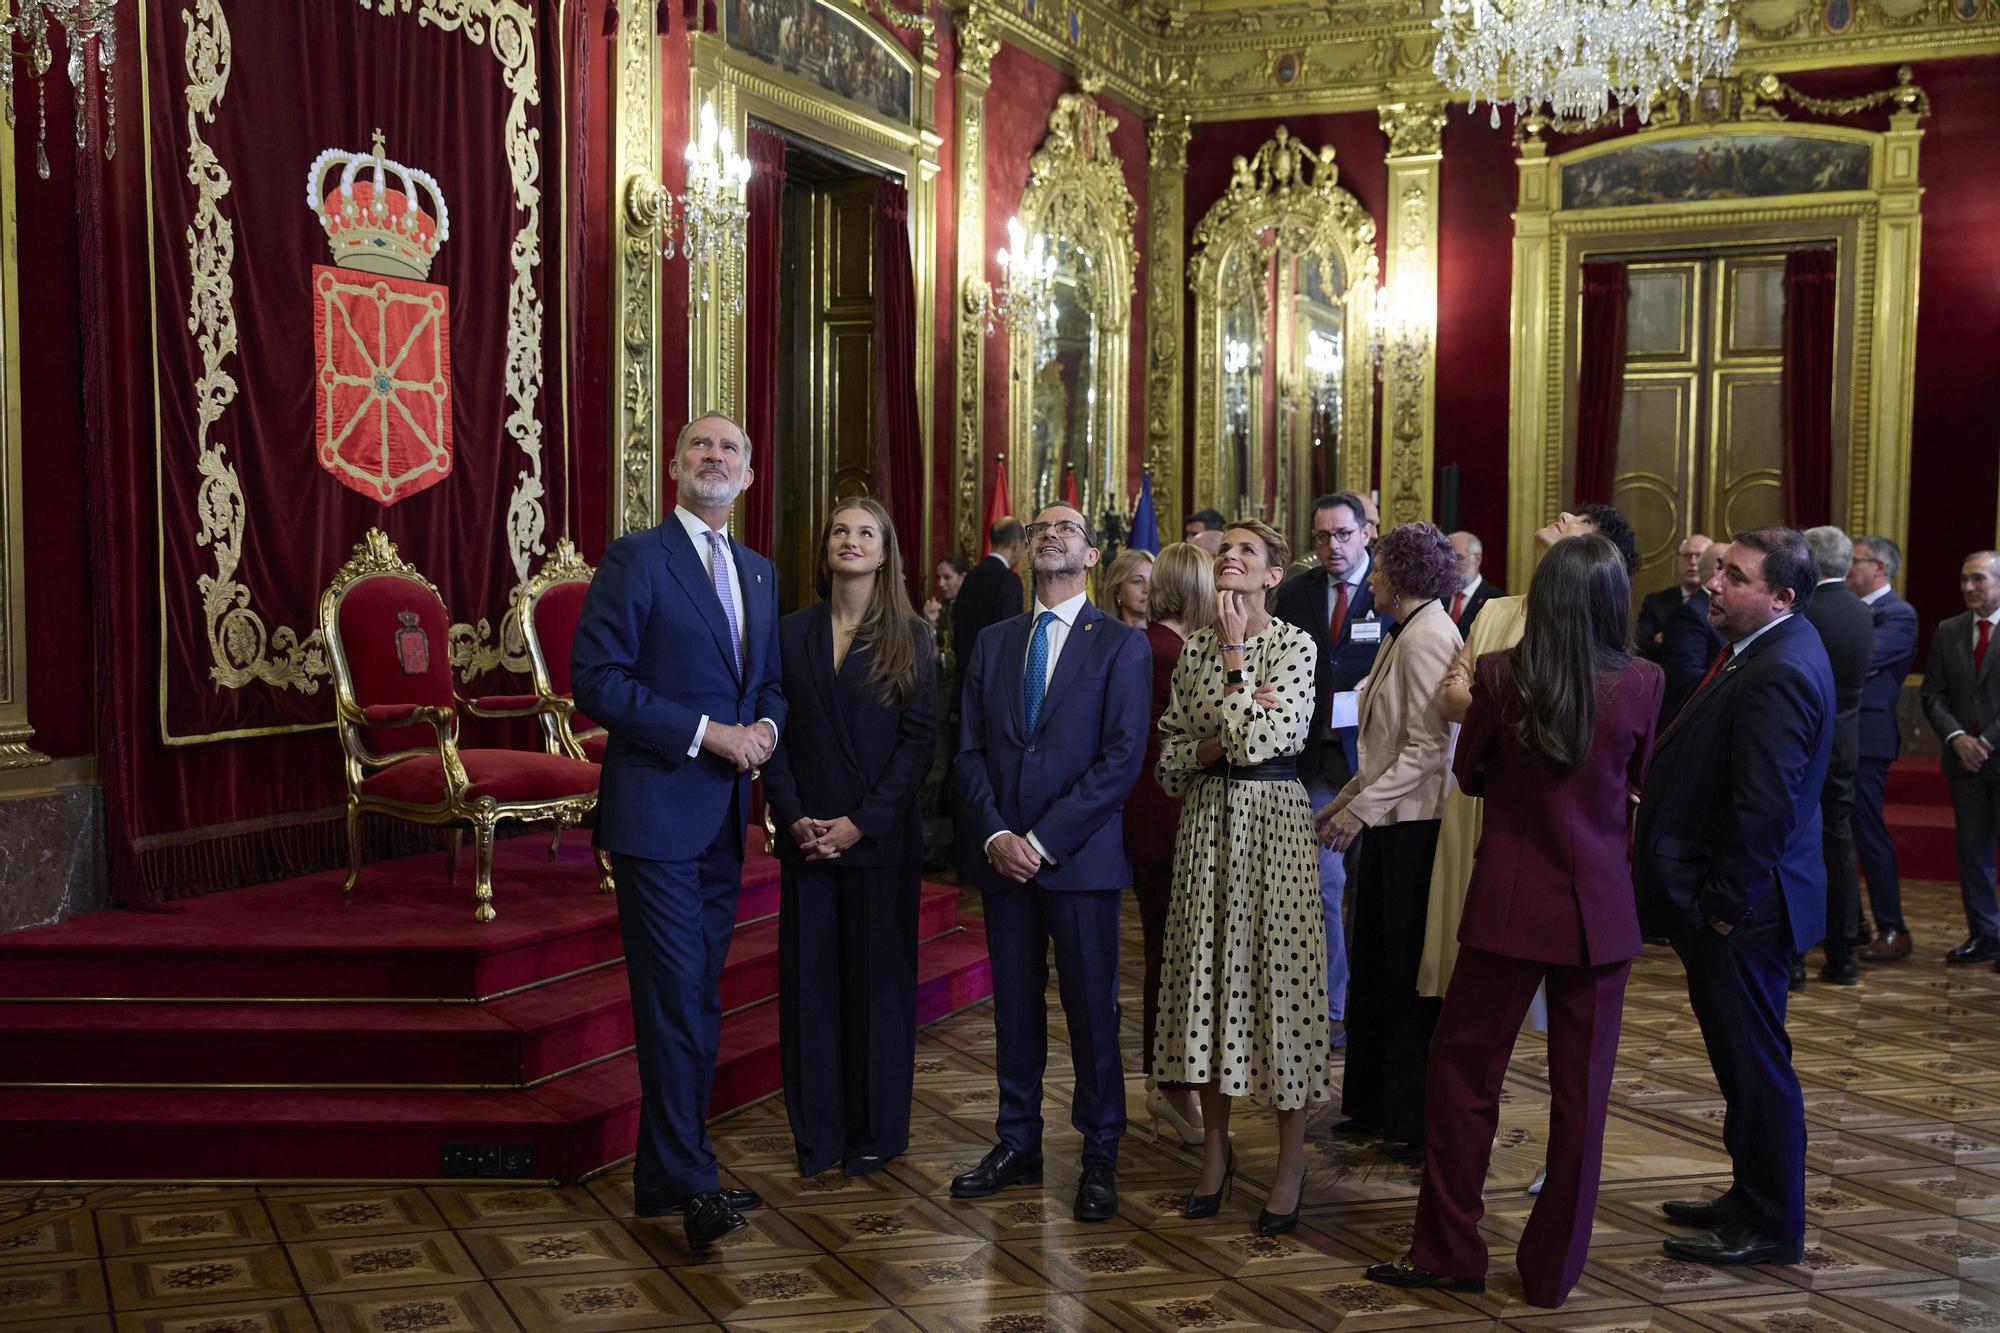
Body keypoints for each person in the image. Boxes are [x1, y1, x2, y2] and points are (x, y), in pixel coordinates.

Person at [1368, 533, 1662, 1306]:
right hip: (1601, 910)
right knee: (1582, 1096)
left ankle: (1450, 1247)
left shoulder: (1500, 673)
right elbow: (1636, 783)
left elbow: (1468, 777)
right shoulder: (1645, 680)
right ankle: (1552, 1271)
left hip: (1509, 901)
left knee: (1463, 1074)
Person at [571, 413, 786, 1251]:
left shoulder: (761, 575)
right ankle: (695, 1177)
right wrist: (708, 732)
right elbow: (597, 679)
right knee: (674, 995)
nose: (715, 456)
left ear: (748, 477)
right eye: (701, 444)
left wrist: (765, 728)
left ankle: (662, 1173)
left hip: (728, 819)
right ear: (673, 465)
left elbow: (767, 682)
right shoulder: (636, 557)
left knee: (696, 996)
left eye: (731, 447)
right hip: (656, 812)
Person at [1635, 527, 1832, 1268]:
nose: (1715, 583)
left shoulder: (1778, 667)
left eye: (1735, 576)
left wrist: (1721, 904)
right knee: (1742, 1061)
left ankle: (1772, 1223)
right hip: (1744, 900)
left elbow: (1765, 808)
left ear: (1781, 596)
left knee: (1756, 1067)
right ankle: (1750, 1193)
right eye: (1719, 569)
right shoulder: (1768, 645)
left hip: (1747, 908)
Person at [950, 504, 1152, 1221]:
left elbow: (1121, 759)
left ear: (1093, 557)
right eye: (1041, 527)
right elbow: (968, 748)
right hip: (1003, 861)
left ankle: (1100, 1151)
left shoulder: (1119, 646)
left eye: (1067, 528)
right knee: (1014, 1006)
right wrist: (997, 836)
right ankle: (1017, 1138)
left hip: (1080, 862)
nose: (1051, 534)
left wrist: (1040, 840)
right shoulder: (997, 641)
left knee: (1092, 1012)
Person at [1155, 521, 1330, 1236]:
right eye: (1223, 549)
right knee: (1210, 988)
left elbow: (1267, 740)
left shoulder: (1294, 645)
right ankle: (1217, 1154)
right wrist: (1223, 724)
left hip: (1277, 829)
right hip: (1206, 828)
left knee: (1278, 989)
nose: (1228, 558)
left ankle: (1290, 1162)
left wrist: (1233, 666)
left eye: (1245, 552)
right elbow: (1170, 759)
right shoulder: (1191, 646)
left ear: (1271, 576)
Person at [762, 499, 936, 1180]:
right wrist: (792, 812)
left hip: (879, 839)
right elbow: (769, 729)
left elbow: (919, 744)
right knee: (812, 991)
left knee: (879, 991)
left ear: (886, 552)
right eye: (840, 530)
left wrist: (862, 821)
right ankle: (818, 1135)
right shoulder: (788, 632)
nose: (850, 540)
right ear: (825, 546)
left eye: (866, 532)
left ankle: (878, 1130)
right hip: (806, 835)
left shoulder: (912, 636)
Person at [1426, 506, 1643, 1002]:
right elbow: (1448, 698)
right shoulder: (1499, 608)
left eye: (1580, 520)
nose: (1563, 513)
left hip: (1529, 797)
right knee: (1480, 951)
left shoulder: (1583, 633)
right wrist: (1493, 700)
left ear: (1594, 552)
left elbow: (1496, 703)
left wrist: (1485, 695)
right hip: (1477, 787)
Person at [1316, 521, 1464, 1157]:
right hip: (1387, 821)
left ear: (1400, 578)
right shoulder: (1406, 629)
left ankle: (1408, 1118)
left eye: (1377, 568)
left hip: (1413, 828)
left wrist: (1360, 811)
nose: (1369, 577)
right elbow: (1381, 747)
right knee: (1376, 968)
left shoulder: (1429, 634)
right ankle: (1374, 1106)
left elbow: (1429, 749)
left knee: (1401, 974)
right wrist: (1347, 802)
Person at [1273, 491, 1383, 1050]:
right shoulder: (1293, 594)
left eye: (1343, 534)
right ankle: (1333, 1005)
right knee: (1324, 881)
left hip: (1379, 762)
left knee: (1372, 888)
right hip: (1315, 762)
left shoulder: (1392, 591)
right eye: (1322, 537)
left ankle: (1369, 1003)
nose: (1332, 546)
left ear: (1366, 532)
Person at [1124, 542, 1216, 1147]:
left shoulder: (1150, 643)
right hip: (1169, 814)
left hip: (1154, 812)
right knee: (1171, 956)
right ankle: (1172, 1083)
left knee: (1167, 951)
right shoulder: (1169, 650)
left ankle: (1171, 1080)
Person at [1798, 526, 1873, 987]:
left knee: (1796, 846)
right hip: (1846, 743)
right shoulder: (1862, 612)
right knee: (1839, 843)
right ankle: (1843, 955)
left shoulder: (1807, 612)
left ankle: (1792, 957)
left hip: (1806, 745)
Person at [1920, 551, 2000, 966]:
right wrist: (1956, 738)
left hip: (1992, 753)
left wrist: (1984, 740)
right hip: (1963, 763)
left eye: (1979, 579)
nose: (1968, 587)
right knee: (1972, 854)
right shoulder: (1948, 630)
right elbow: (1932, 693)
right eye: (1965, 579)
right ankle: (1985, 934)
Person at [1850, 536, 1920, 962]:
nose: (1847, 569)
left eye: (1855, 562)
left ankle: (1894, 927)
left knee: (1868, 833)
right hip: (1838, 734)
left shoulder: (1899, 614)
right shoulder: (1848, 611)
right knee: (1833, 835)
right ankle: (1848, 921)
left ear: (1879, 568)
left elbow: (1859, 658)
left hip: (1867, 739)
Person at [953, 518, 1026, 710]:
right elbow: (1010, 637)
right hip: (992, 688)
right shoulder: (1009, 580)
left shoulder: (971, 577)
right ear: (1016, 544)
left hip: (964, 681)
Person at [1658, 542, 1728, 724]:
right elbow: (1685, 673)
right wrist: (1731, 690)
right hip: (1694, 718)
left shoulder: (1723, 609)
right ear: (1717, 568)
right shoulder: (1690, 613)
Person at [1636, 534, 1714, 661]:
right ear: (1678, 560)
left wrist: (1669, 637)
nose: (1693, 562)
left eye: (1700, 556)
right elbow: (1642, 647)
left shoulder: (1722, 602)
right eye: (1687, 556)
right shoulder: (1655, 602)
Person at [1447, 530, 1504, 635]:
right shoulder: (1438, 597)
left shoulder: (1498, 602)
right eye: (1448, 558)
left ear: (1477, 560)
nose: (1451, 565)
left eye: (1458, 558)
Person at [1100, 546, 1154, 628]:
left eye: (1153, 582)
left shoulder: (1167, 637)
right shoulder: (1102, 637)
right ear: (1117, 591)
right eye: (1138, 582)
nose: (1147, 589)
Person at [923, 552, 970, 643]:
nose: (940, 584)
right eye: (938, 577)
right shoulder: (938, 607)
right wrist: (930, 624)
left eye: (947, 577)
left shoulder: (975, 607)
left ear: (963, 577)